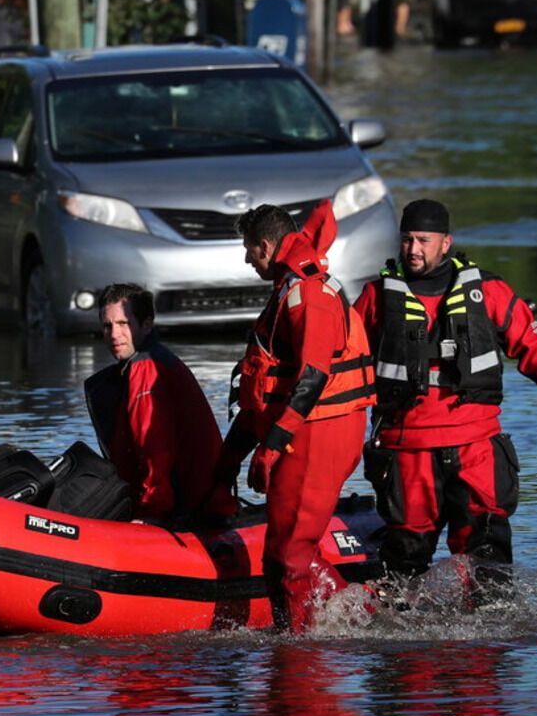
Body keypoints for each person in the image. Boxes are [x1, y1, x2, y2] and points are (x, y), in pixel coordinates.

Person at [351, 200, 537, 584]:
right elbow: (342, 364)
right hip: (408, 450)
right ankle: (405, 642)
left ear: (445, 243)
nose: (413, 250)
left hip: (475, 446)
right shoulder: (376, 297)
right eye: (407, 240)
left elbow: (536, 350)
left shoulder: (489, 291)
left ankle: (487, 642)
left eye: (423, 241)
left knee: (489, 566)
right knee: (403, 570)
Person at [215, 202, 374, 631]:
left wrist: (271, 446)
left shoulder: (308, 295)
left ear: (265, 246)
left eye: (249, 250)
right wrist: (231, 458)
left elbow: (313, 377)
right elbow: (270, 384)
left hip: (317, 431)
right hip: (307, 429)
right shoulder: (290, 288)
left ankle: (297, 655)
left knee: (287, 556)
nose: (248, 260)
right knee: (289, 549)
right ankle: (360, 620)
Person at [82, 284, 232, 527]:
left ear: (147, 325)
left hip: (189, 513)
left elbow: (155, 449)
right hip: (194, 504)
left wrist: (152, 513)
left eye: (124, 324)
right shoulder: (146, 365)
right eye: (107, 326)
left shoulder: (147, 369)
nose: (114, 334)